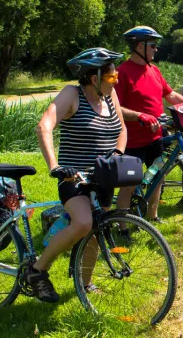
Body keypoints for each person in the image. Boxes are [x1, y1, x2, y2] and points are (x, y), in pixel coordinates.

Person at [31, 48, 127, 303]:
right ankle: (37, 270)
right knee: (84, 222)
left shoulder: (110, 96)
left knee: (97, 228)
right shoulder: (72, 95)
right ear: (94, 78)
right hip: (74, 178)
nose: (116, 80)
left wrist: (117, 153)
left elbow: (122, 128)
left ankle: (85, 283)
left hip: (104, 176)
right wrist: (55, 166)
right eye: (112, 77)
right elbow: (45, 126)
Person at [115, 26, 183, 224]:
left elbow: (170, 94)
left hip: (156, 138)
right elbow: (114, 108)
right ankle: (123, 226)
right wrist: (140, 115)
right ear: (140, 46)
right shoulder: (122, 73)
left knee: (158, 178)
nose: (156, 50)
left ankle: (152, 217)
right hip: (132, 142)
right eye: (153, 46)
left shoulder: (154, 70)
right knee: (129, 185)